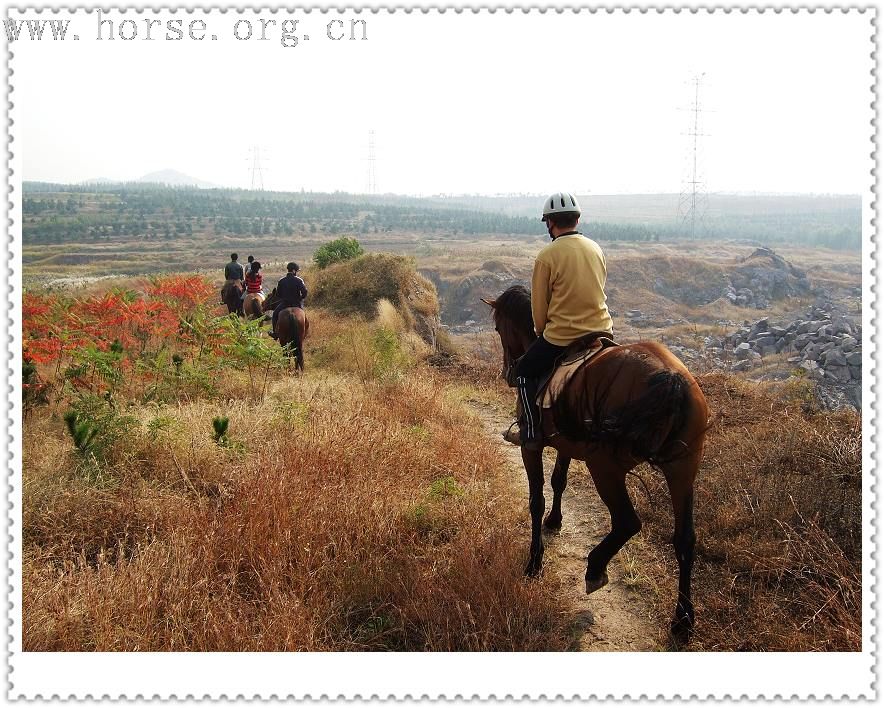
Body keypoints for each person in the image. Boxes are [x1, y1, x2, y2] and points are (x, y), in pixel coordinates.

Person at [504, 192, 613, 449]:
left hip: (563, 336)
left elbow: (539, 307)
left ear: (550, 223)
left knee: (524, 372)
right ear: (576, 219)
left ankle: (530, 430)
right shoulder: (596, 249)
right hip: (602, 331)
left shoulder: (547, 256)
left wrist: (541, 331)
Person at [269, 262, 308, 339]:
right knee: (304, 317)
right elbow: (305, 292)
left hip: (285, 304)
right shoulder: (299, 280)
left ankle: (275, 333)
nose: (296, 273)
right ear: (293, 271)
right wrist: (300, 298)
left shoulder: (281, 281)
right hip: (296, 304)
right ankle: (305, 331)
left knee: (275, 315)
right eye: (296, 271)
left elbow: (278, 294)